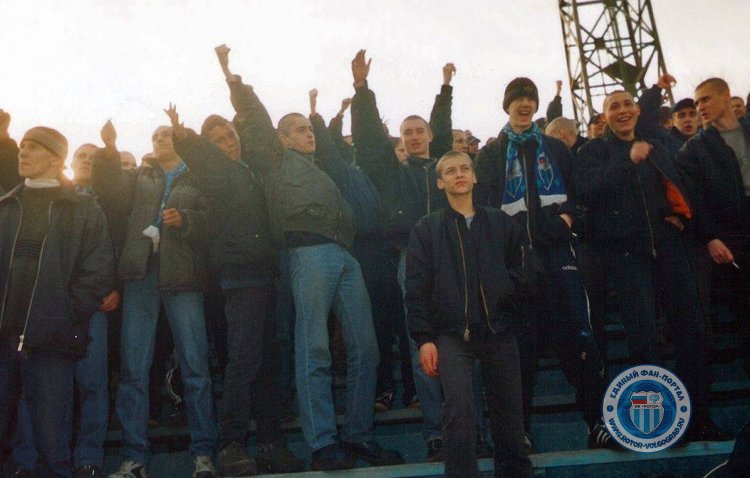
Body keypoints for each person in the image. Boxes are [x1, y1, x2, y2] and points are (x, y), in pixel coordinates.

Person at [218, 44, 402, 471]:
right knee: (314, 349)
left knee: (367, 348)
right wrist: (232, 78)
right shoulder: (273, 158)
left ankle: (358, 436)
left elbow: (370, 139)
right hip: (308, 253)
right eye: (300, 129)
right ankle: (322, 443)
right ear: (282, 138)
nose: (309, 133)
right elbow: (257, 120)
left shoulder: (325, 166)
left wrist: (361, 88)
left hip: (345, 254)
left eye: (309, 127)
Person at [351, 51, 493, 461]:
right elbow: (370, 142)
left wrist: (446, 88)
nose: (414, 137)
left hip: (460, 256)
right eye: (406, 132)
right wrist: (362, 91)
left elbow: (445, 126)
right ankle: (437, 434)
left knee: (470, 345)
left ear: (431, 136)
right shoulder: (394, 173)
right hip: (412, 260)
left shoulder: (446, 171)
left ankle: (475, 429)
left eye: (420, 131)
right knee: (423, 349)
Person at [576, 88, 730, 442]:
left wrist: (688, 223)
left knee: (692, 333)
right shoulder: (593, 151)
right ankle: (661, 422)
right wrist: (626, 160)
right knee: (644, 340)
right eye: (614, 107)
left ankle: (698, 418)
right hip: (627, 257)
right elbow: (586, 190)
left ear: (637, 110)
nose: (623, 111)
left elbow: (683, 188)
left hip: (671, 250)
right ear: (605, 116)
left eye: (628, 104)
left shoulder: (658, 146)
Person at [474, 77, 614, 450]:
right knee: (518, 350)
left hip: (557, 258)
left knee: (580, 339)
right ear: (507, 105)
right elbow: (482, 208)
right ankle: (515, 431)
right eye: (517, 98)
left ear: (536, 106)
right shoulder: (490, 153)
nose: (524, 104)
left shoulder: (554, 147)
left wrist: (566, 220)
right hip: (515, 265)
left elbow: (580, 194)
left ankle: (597, 421)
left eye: (529, 99)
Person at [166, 102, 304, 475]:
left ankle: (271, 443)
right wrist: (187, 139)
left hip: (266, 276)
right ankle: (232, 445)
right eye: (220, 140)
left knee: (267, 363)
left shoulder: (251, 173)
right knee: (243, 363)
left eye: (231, 136)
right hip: (240, 279)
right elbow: (205, 161)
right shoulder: (218, 175)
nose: (230, 143)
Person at [94, 121, 219, 478]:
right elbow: (110, 192)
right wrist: (109, 152)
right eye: (155, 136)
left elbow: (214, 221)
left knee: (196, 367)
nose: (160, 139)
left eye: (166, 134)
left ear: (180, 141)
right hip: (141, 276)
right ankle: (134, 458)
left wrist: (187, 220)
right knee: (134, 369)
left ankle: (203, 454)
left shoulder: (198, 177)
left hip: (183, 278)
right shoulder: (140, 178)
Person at [405, 151, 532, 478]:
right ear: (440, 181)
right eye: (450, 171)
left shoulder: (500, 222)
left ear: (474, 176)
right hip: (451, 334)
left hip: (498, 329)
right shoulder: (427, 228)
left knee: (508, 409)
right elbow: (416, 288)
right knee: (458, 408)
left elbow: (527, 270)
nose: (459, 174)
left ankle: (516, 472)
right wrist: (424, 339)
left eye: (464, 168)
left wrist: (503, 289)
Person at [0, 126, 115, 477]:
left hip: (51, 341)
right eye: (22, 146)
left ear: (55, 159)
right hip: (4, 339)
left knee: (53, 445)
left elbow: (98, 271)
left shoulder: (82, 209)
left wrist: (63, 316)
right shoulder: (5, 207)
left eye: (33, 147)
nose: (23, 153)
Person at [676, 78, 750, 381]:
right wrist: (710, 237)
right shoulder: (693, 150)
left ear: (726, 96)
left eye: (706, 99)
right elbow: (694, 200)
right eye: (697, 103)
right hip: (732, 237)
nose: (701, 107)